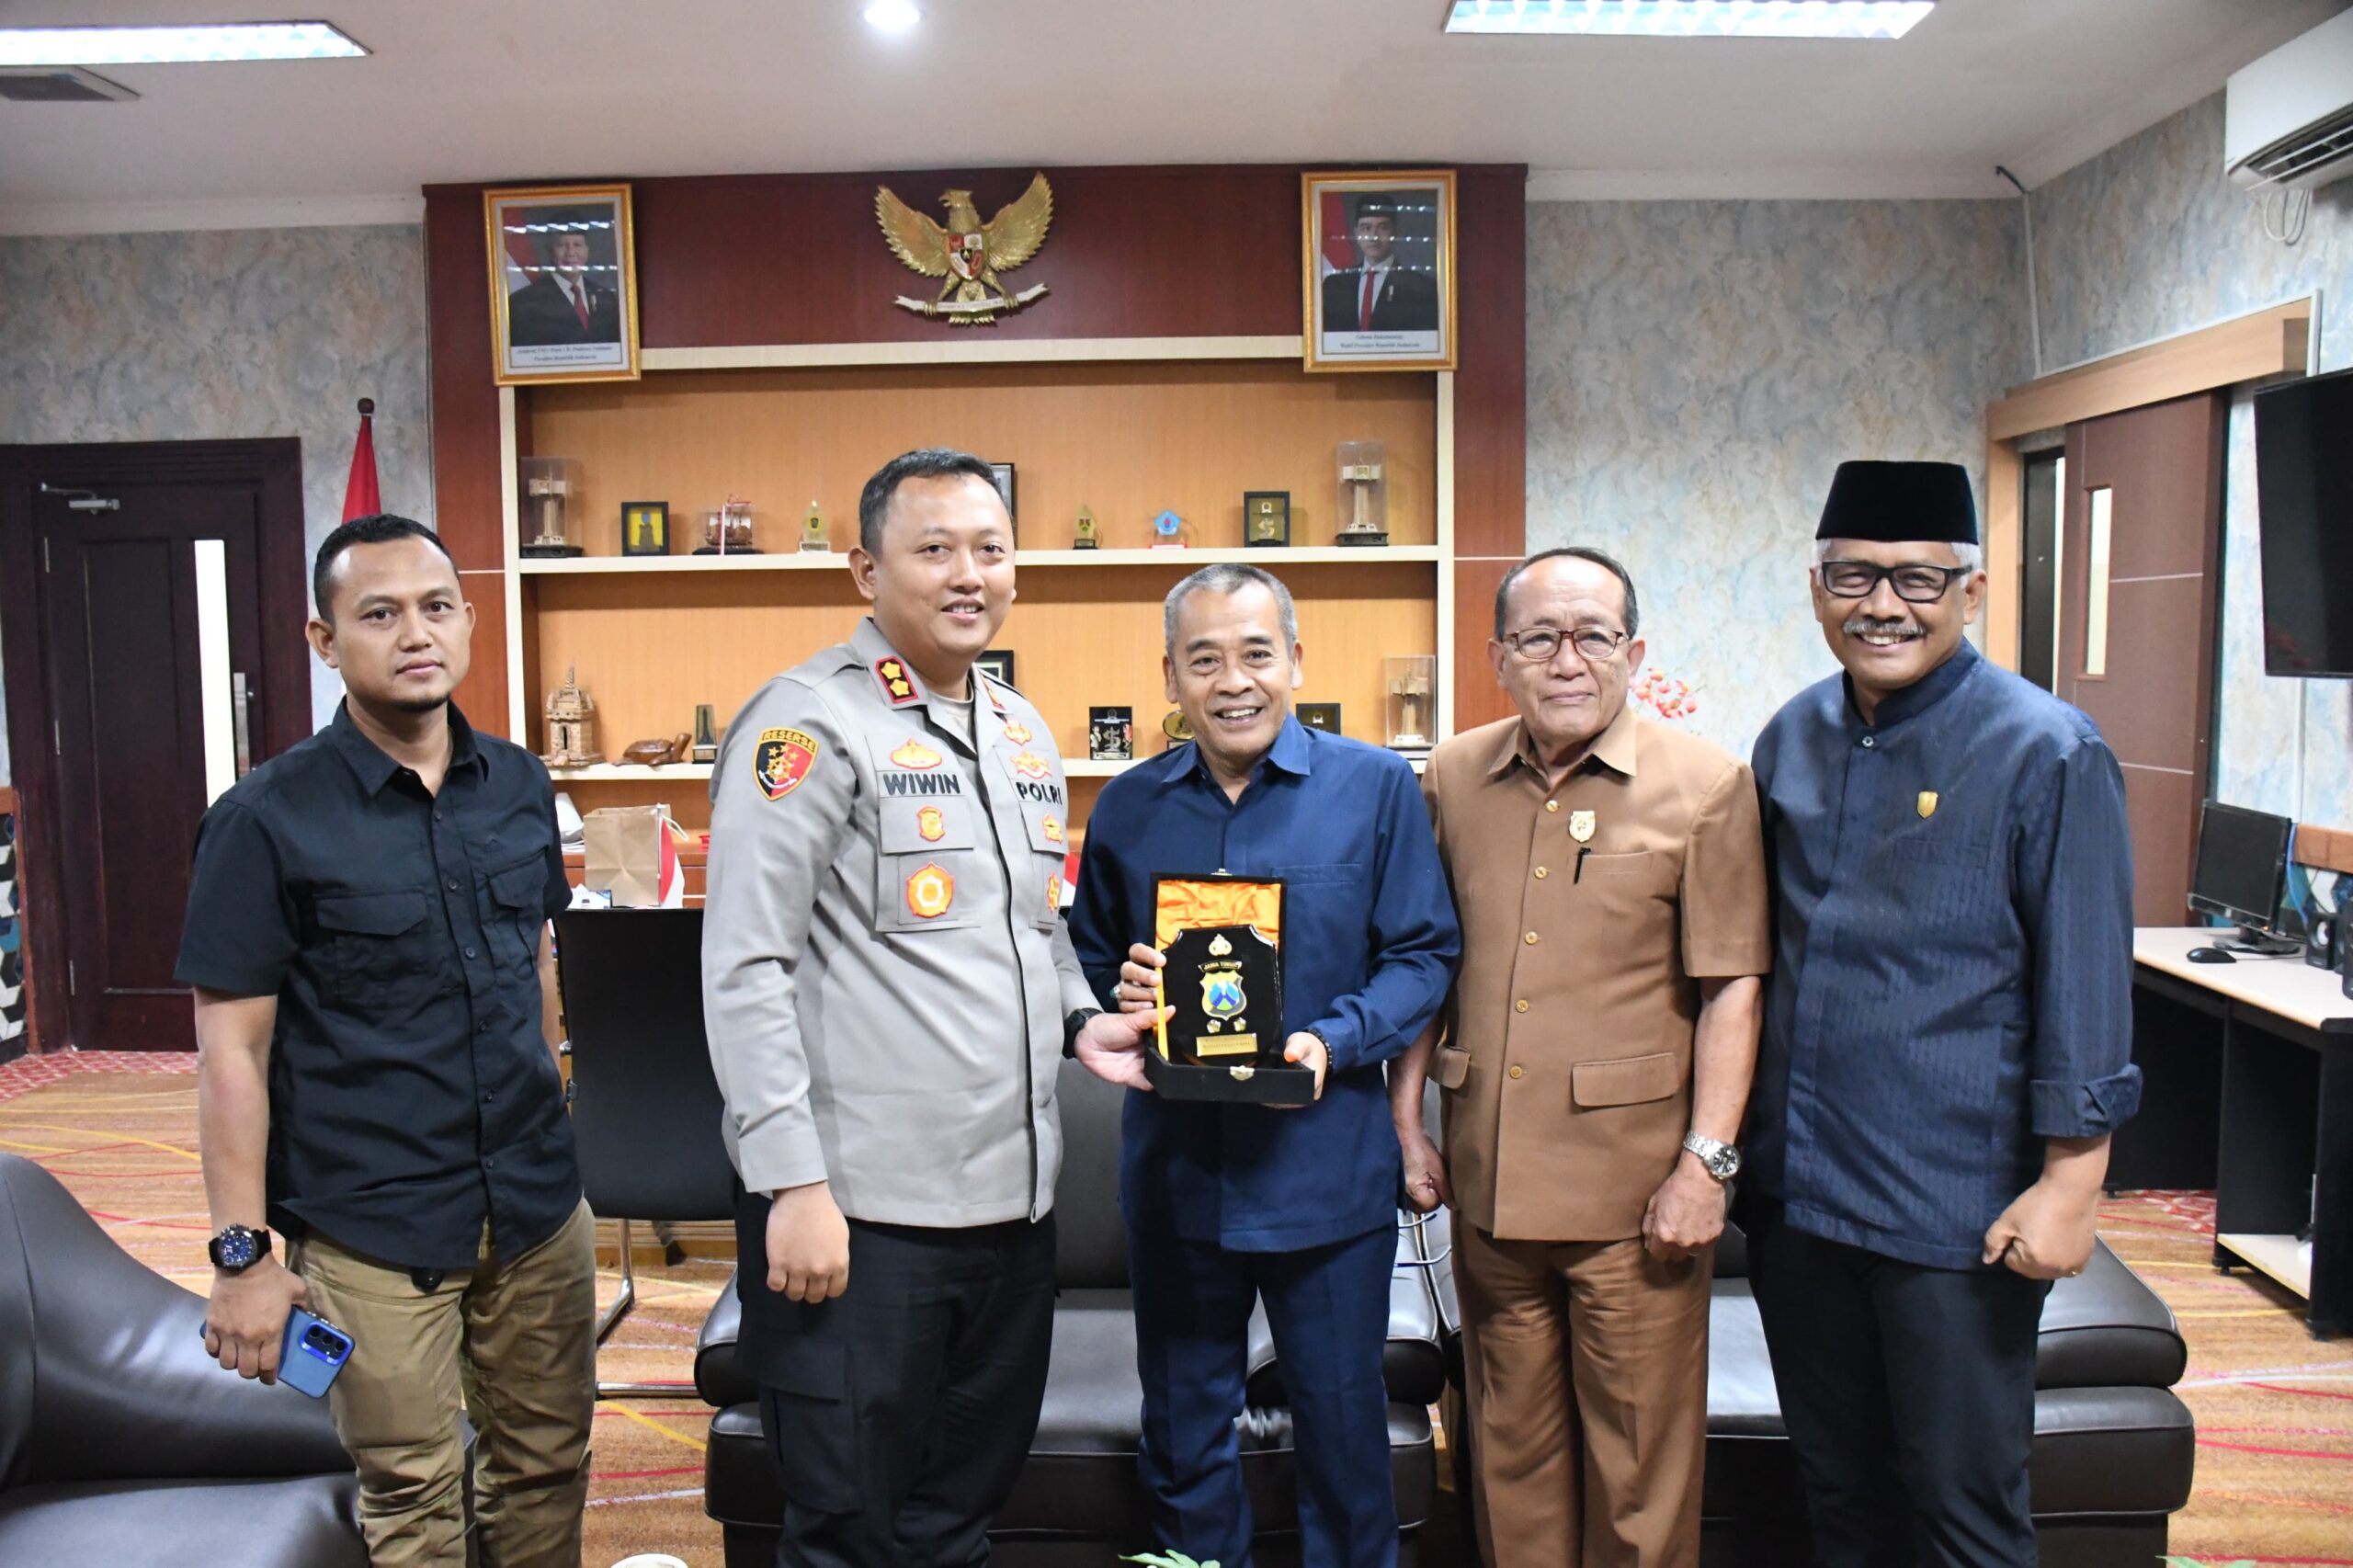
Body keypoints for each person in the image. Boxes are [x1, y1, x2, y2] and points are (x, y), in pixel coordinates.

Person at [701, 448, 1164, 1566]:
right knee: (848, 1527)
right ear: (866, 569)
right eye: (935, 549)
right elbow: (743, 966)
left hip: (1011, 1213)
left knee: (958, 1517)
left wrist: (1081, 1019)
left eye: (990, 548)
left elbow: (1031, 928)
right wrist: (790, 1185)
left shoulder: (1020, 730)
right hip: (860, 1217)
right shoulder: (807, 727)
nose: (969, 573)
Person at [1745, 460, 2143, 1568]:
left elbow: (2085, 981)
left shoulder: (2046, 748)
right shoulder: (1790, 737)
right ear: (1817, 588)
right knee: (1837, 1490)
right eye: (1854, 576)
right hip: (1800, 1198)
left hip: (1952, 1207)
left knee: (1961, 1502)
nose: (1883, 604)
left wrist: (2072, 1182)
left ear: (1971, 589)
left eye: (1916, 578)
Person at [177, 513, 594, 1568]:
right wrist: (241, 1256)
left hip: (536, 1203)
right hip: (373, 1220)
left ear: (467, 620)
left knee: (547, 1462)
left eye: (436, 606)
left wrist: (548, 1101)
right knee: (413, 1488)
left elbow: (537, 960)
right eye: (379, 613)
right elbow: (231, 1055)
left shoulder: (520, 783)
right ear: (325, 640)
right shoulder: (264, 819)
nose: (416, 632)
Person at [1067, 563, 1461, 1568]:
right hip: (1179, 1172)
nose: (1233, 680)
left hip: (1325, 1173)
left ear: (1295, 659)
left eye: (1255, 653)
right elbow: (1092, 956)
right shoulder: (1127, 805)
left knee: (1343, 1427)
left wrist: (1337, 1037)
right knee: (1182, 1428)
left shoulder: (1375, 787)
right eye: (1204, 660)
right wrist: (1124, 994)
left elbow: (1423, 955)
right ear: (1171, 675)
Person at [1389, 547, 1768, 1567]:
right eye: (1538, 638)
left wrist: (1706, 1166)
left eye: (1593, 636)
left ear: (1632, 653)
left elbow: (1732, 987)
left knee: (1639, 1470)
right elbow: (1427, 963)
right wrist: (1406, 1124)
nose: (1567, 660)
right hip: (1489, 1187)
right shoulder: (1452, 775)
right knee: (1507, 1460)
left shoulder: (1706, 784)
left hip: (1637, 1201)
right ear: (1497, 656)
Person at [1320, 203, 1439, 334]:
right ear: (1357, 234)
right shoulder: (1334, 285)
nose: (1374, 237)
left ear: (1395, 233)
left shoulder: (1421, 288)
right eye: (1366, 228)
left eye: (1383, 228)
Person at [507, 226, 620, 347]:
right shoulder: (524, 302)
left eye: (577, 245)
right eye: (561, 245)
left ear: (587, 250)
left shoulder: (607, 298)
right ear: (549, 250)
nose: (570, 253)